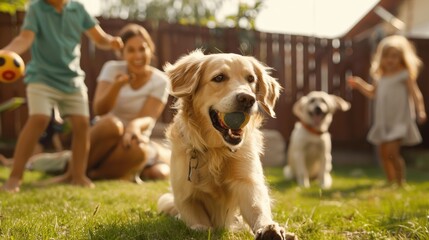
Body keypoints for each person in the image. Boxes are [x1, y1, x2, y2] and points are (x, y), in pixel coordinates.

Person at [0, 0, 123, 192]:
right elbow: (25, 38)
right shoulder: (36, 9)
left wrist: (111, 42)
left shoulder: (78, 9)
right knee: (39, 118)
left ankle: (78, 175)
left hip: (71, 80)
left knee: (82, 124)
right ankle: (15, 177)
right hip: (41, 77)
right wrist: (7, 52)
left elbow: (99, 38)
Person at [86, 23, 170, 182]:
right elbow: (99, 109)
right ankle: (78, 169)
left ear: (150, 49)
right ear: (121, 53)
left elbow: (149, 117)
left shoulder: (160, 81)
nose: (138, 55)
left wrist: (133, 126)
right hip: (106, 136)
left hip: (132, 140)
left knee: (151, 163)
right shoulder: (111, 69)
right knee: (112, 125)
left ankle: (94, 175)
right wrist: (116, 86)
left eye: (142, 49)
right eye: (131, 50)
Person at [347, 35, 427, 187]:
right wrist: (359, 84)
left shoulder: (405, 75)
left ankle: (401, 181)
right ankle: (390, 181)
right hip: (384, 121)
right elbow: (372, 93)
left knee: (392, 152)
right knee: (383, 154)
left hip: (400, 120)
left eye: (394, 56)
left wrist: (421, 110)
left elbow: (416, 94)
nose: (390, 60)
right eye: (386, 56)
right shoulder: (380, 77)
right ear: (380, 58)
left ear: (402, 58)